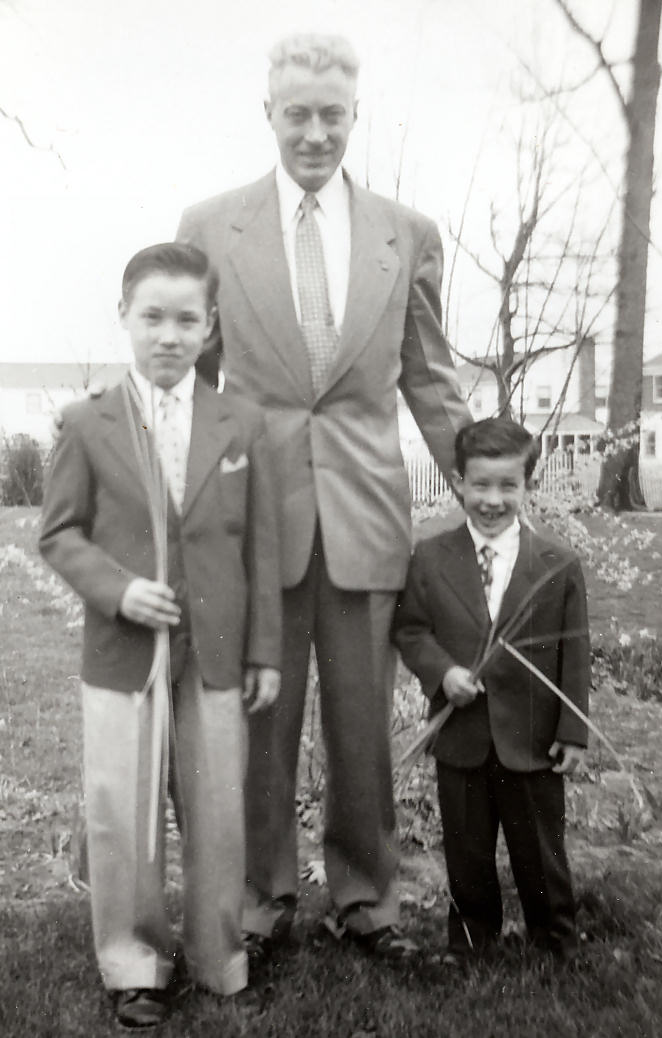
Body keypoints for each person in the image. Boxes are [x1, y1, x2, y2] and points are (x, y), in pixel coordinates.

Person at [177, 33, 471, 959]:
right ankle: (262, 905)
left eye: (331, 115)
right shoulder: (211, 226)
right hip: (256, 521)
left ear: (355, 116)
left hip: (364, 518)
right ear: (269, 114)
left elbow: (429, 377)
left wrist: (488, 487)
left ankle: (369, 904)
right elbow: (192, 382)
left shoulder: (406, 232)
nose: (314, 133)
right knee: (261, 728)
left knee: (361, 732)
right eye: (296, 113)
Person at [39, 243, 281, 1029]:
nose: (169, 336)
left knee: (217, 805)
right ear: (124, 320)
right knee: (125, 808)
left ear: (211, 327)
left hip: (214, 651)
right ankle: (135, 961)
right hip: (123, 654)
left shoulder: (241, 422)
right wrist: (118, 589)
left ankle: (218, 956)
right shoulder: (86, 422)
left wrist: (265, 652)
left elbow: (262, 547)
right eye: (153, 317)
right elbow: (60, 534)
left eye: (187, 320)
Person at [391, 418, 590, 961]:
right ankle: (472, 938)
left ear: (529, 484)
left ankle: (555, 940)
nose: (493, 499)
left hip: (531, 739)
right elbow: (410, 629)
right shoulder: (431, 557)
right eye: (480, 485)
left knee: (539, 850)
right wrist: (442, 672)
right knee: (466, 847)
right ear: (458, 482)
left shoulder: (557, 564)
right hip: (462, 737)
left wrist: (573, 732)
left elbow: (574, 652)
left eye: (508, 486)